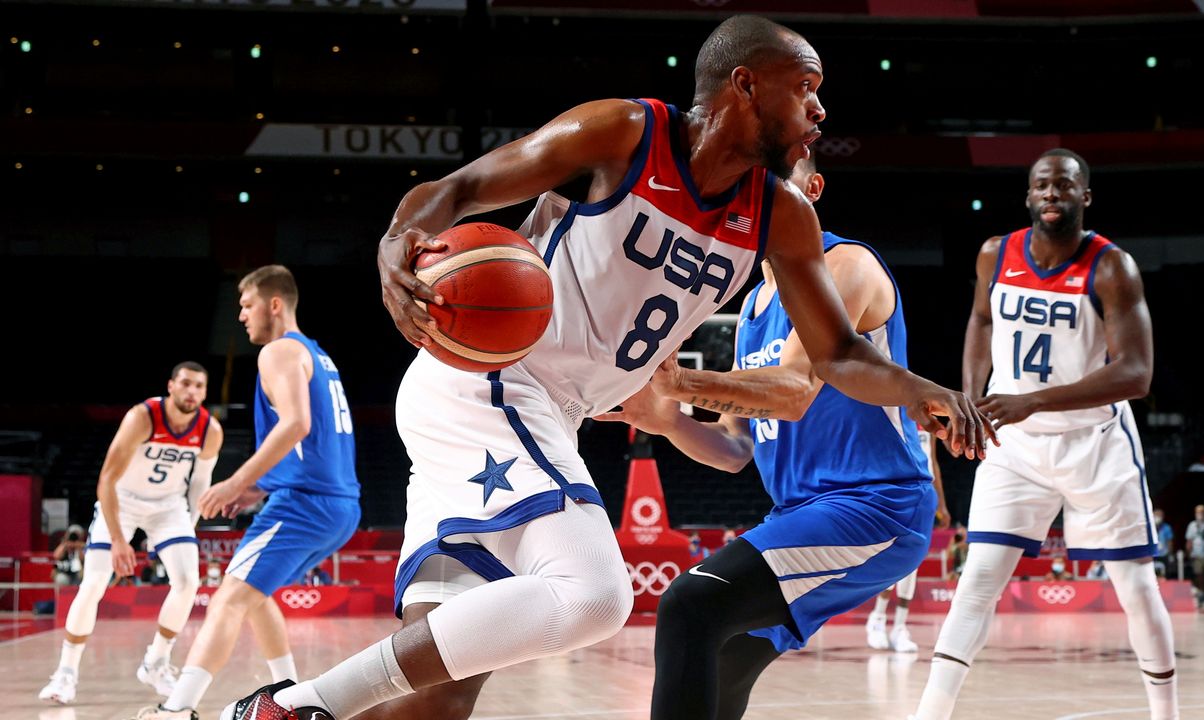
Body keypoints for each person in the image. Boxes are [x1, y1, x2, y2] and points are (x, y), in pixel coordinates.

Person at [218, 16, 992, 720]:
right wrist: (397, 240)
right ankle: (293, 707)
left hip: (533, 415)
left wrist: (924, 392)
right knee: (596, 595)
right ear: (746, 84)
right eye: (807, 88)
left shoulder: (782, 216)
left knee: (438, 695)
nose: (820, 110)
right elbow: (462, 188)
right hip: (495, 382)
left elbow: (838, 356)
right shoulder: (626, 131)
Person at [597, 157, 948, 718]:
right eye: (745, 184)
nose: (755, 195)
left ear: (813, 188)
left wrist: (683, 383)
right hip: (802, 510)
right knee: (723, 660)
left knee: (690, 602)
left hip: (877, 505)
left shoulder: (845, 265)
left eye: (776, 181)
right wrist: (669, 422)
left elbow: (794, 391)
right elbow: (737, 449)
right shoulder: (753, 308)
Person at [912, 149, 1178, 720]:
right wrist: (971, 405)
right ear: (1029, 196)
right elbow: (982, 319)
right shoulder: (995, 253)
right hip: (1017, 447)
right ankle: (929, 713)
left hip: (1094, 443)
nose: (1052, 193)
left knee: (1135, 585)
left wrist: (1030, 400)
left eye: (1064, 185)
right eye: (1041, 185)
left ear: (1085, 196)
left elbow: (1137, 374)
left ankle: (1167, 714)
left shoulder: (1112, 267)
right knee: (978, 578)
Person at [133, 266, 361, 719]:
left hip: (304, 504)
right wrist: (257, 489)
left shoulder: (279, 351)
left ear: (274, 305)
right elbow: (313, 444)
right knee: (254, 596)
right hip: (339, 504)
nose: (241, 315)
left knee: (228, 598)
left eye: (247, 304)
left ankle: (177, 710)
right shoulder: (318, 356)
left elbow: (296, 424)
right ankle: (291, 694)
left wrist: (235, 481)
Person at [40, 363, 221, 706]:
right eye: (185, 383)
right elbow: (107, 479)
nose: (191, 391)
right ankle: (65, 673)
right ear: (171, 386)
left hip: (168, 506)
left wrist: (189, 525)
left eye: (199, 386)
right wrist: (119, 541)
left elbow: (200, 481)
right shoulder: (143, 417)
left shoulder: (209, 430)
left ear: (205, 392)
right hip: (122, 500)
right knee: (94, 583)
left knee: (187, 582)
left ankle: (156, 662)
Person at [867, 430, 952, 654]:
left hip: (923, 495)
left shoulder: (930, 424)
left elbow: (933, 463)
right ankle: (878, 619)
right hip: (898, 494)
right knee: (893, 560)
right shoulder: (894, 416)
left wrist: (942, 504)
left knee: (913, 564)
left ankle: (899, 627)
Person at [1153, 508, 1175, 578]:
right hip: (1152, 555)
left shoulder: (1167, 528)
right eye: (1157, 515)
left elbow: (1170, 542)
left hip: (1164, 555)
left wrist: (1170, 554)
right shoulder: (1149, 528)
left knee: (1165, 574)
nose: (1158, 517)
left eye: (1160, 515)